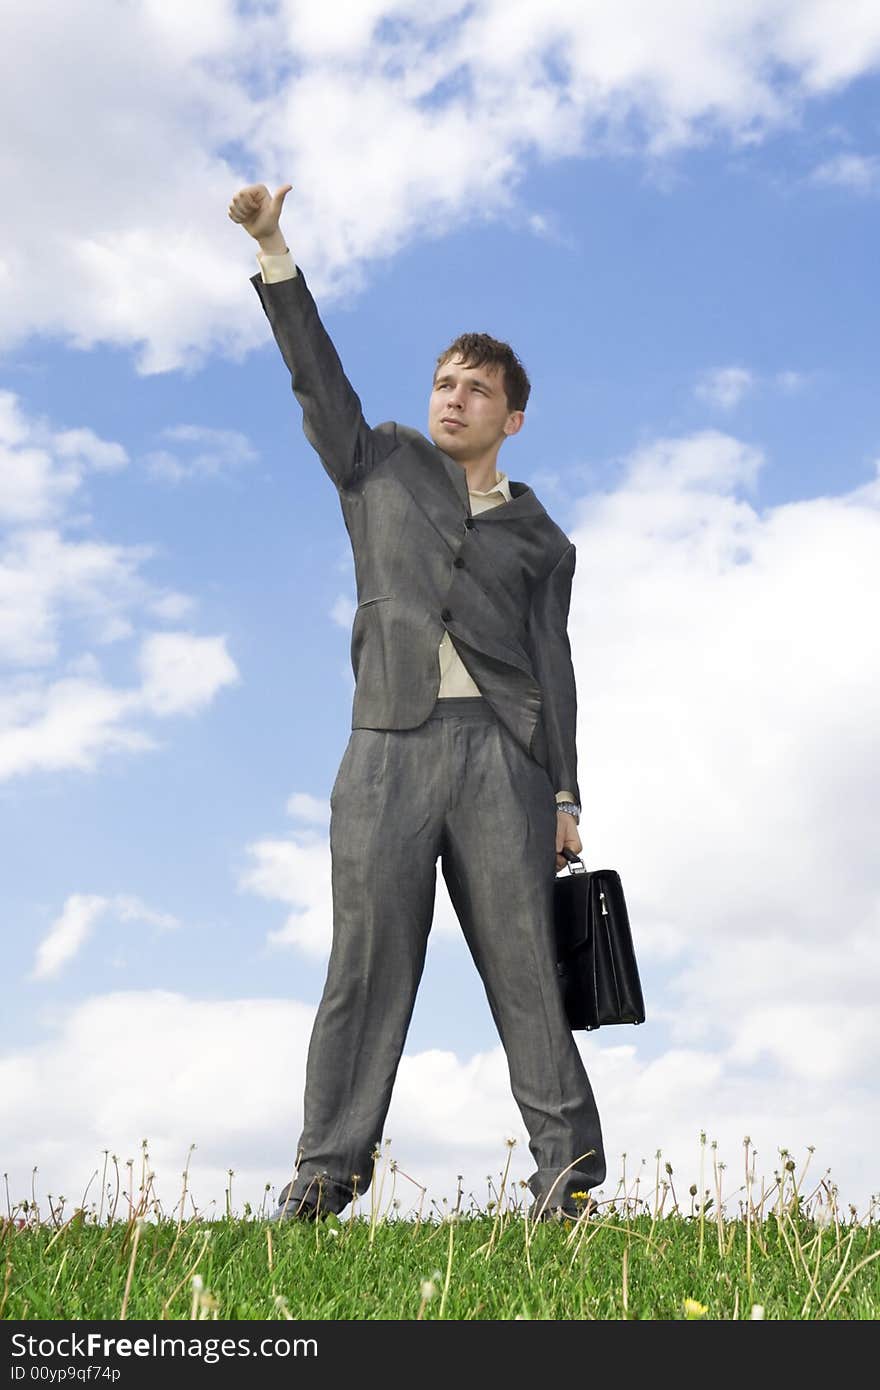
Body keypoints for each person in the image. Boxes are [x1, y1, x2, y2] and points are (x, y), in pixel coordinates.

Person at [228, 182, 606, 1221]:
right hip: (385, 749)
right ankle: (322, 1177)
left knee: (527, 968)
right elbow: (317, 378)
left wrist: (566, 793)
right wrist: (273, 249)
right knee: (364, 962)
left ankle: (566, 1180)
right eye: (443, 381)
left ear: (510, 417)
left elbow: (552, 665)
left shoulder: (542, 539)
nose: (450, 397)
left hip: (501, 758)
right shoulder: (377, 463)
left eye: (473, 389)